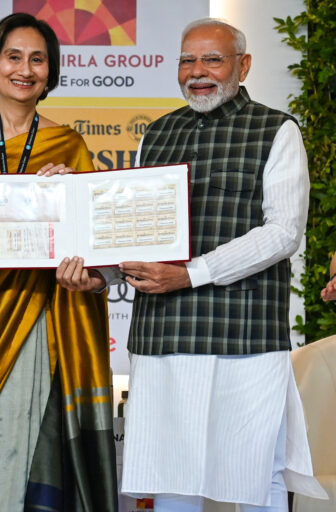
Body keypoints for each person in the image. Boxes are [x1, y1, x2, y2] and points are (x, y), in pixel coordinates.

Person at [116, 18, 327, 511]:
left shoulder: (277, 129)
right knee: (171, 471)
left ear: (243, 65)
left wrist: (190, 273)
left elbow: (282, 233)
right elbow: (137, 230)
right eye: (187, 60)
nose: (197, 72)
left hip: (245, 334)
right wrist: (101, 273)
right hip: (163, 332)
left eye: (212, 59)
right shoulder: (158, 133)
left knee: (257, 471)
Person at [0, 12, 118, 511]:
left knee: (40, 443)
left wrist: (63, 195)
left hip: (45, 318)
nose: (25, 69)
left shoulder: (69, 146)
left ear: (50, 73)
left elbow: (93, 245)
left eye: (38, 59)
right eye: (14, 57)